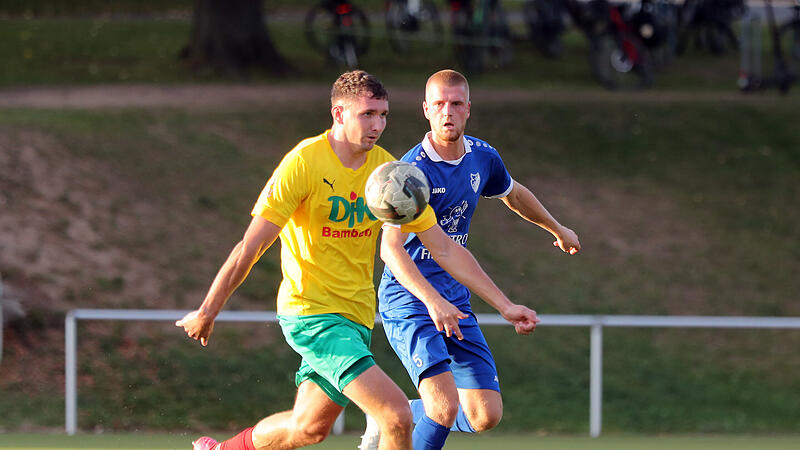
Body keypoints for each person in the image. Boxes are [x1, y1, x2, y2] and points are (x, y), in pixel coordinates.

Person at [176, 70, 538, 450]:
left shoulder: (388, 174)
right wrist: (208, 310)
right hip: (312, 314)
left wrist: (505, 305)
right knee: (396, 414)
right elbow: (250, 247)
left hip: (356, 317)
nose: (378, 125)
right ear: (339, 113)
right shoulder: (304, 163)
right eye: (367, 114)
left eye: (383, 115)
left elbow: (444, 247)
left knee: (308, 428)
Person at [360, 69, 581, 450]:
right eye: (440, 104)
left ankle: (398, 412)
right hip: (411, 300)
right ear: (426, 110)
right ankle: (411, 413)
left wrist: (556, 228)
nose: (448, 112)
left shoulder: (482, 157)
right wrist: (432, 300)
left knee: (484, 415)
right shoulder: (410, 174)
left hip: (454, 299)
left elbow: (512, 193)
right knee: (443, 407)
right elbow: (390, 250)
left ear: (468, 110)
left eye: (457, 104)